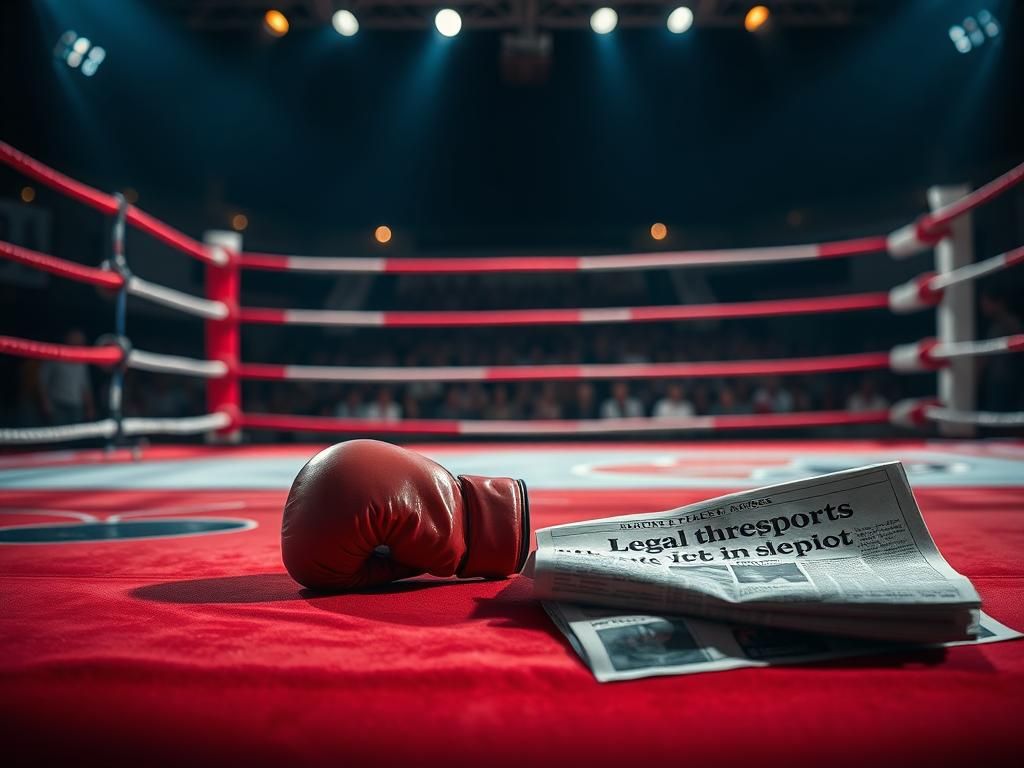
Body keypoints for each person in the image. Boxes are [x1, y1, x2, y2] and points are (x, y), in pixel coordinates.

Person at [38, 329, 95, 425]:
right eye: (76, 339)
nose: (79, 342)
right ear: (68, 339)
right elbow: (42, 381)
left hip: (76, 405)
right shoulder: (55, 354)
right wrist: (45, 402)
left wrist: (90, 407)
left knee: (76, 432)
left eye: (80, 340)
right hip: (57, 404)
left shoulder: (82, 360)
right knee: (57, 432)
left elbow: (85, 385)